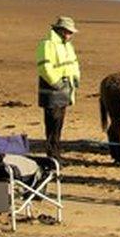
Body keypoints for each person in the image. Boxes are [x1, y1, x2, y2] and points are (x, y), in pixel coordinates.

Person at [36, 16, 81, 163]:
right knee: (52, 125)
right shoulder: (47, 44)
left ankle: (56, 155)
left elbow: (73, 63)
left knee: (59, 124)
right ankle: (52, 156)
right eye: (69, 32)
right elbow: (44, 67)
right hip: (52, 91)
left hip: (65, 89)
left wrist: (75, 78)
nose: (71, 35)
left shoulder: (67, 45)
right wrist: (56, 83)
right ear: (61, 30)